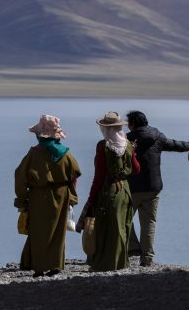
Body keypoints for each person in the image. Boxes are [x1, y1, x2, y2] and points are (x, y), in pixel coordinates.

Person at [126, 110, 189, 267]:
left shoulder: (127, 139)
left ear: (132, 124)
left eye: (128, 123)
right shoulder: (157, 136)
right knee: (149, 222)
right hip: (153, 188)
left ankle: (133, 248)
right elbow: (176, 145)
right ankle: (147, 258)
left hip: (132, 189)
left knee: (123, 219)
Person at [15, 115, 81, 277]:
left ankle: (39, 268)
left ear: (40, 135)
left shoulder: (34, 153)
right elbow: (74, 176)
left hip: (39, 196)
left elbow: (20, 177)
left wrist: (22, 200)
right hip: (61, 196)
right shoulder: (66, 154)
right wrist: (71, 197)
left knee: (38, 231)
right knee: (58, 230)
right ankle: (56, 265)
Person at [78, 112, 140, 271]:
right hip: (124, 191)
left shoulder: (103, 146)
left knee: (106, 227)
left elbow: (99, 176)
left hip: (109, 190)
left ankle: (104, 263)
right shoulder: (128, 145)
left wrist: (91, 198)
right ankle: (121, 262)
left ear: (106, 129)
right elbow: (136, 169)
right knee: (121, 226)